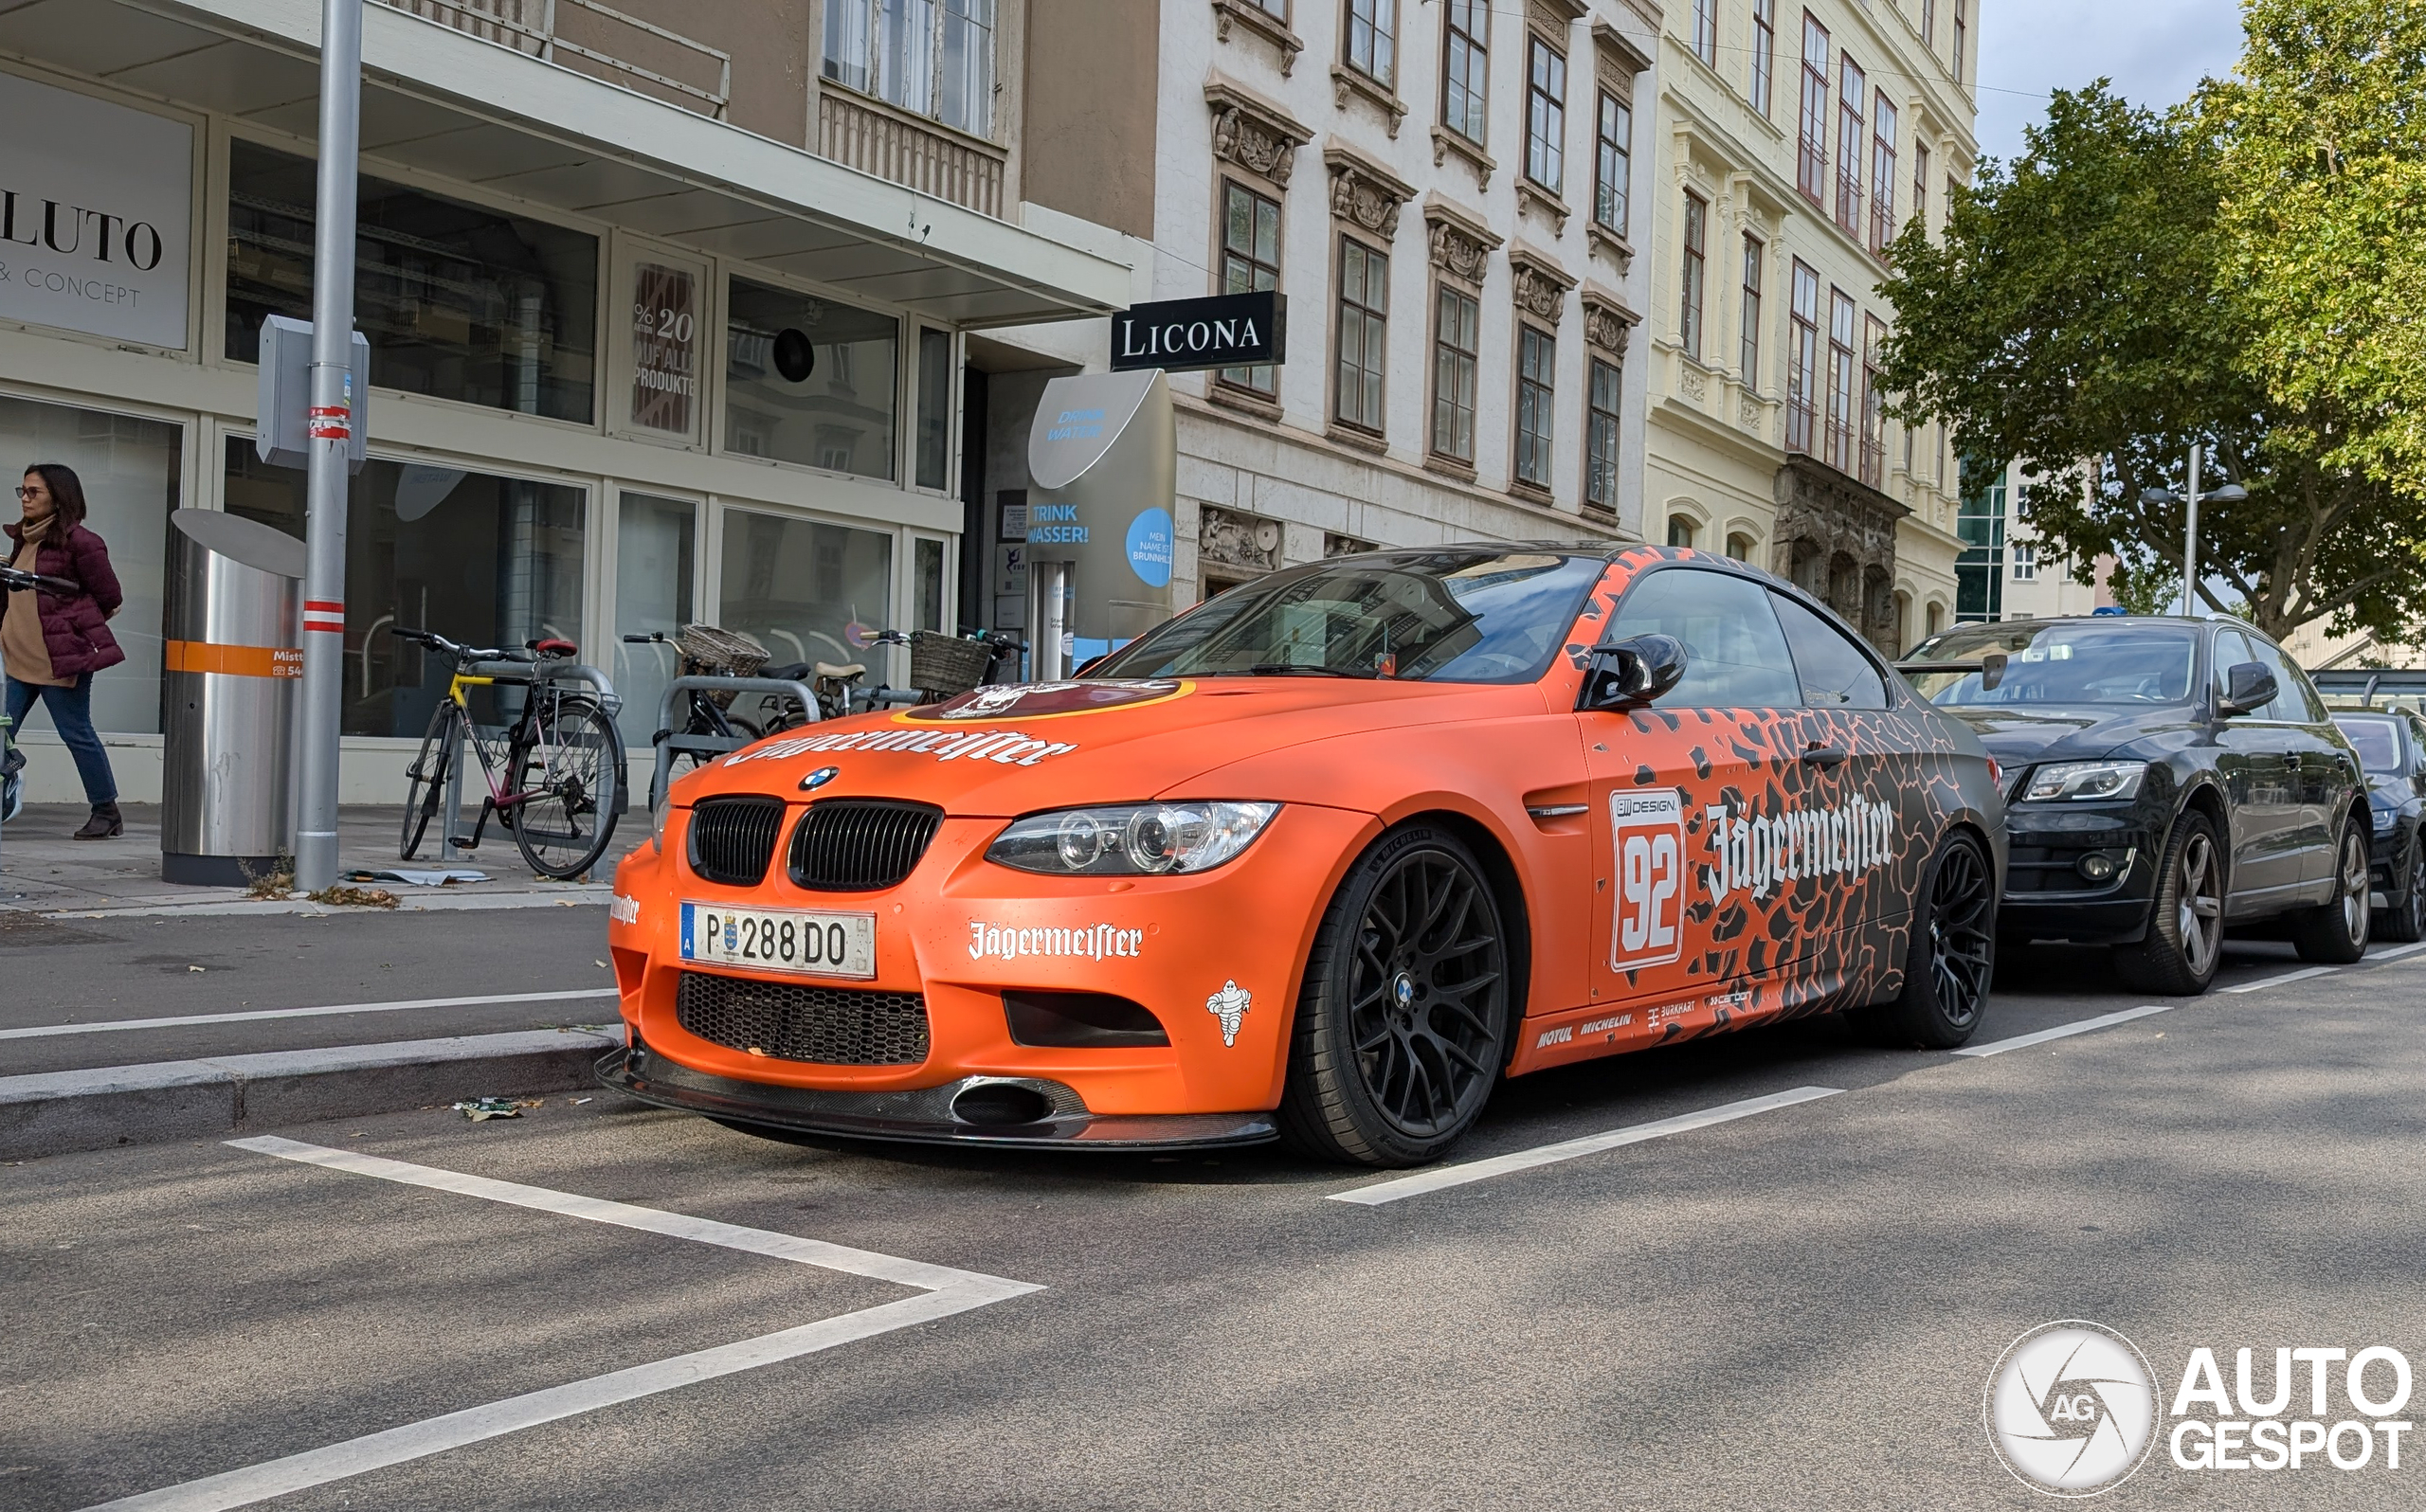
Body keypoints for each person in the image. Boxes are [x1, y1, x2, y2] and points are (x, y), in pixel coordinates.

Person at [3, 463, 124, 838]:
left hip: (59, 660)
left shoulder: (83, 542)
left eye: (33, 492)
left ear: (59, 496)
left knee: (76, 733)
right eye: (21, 490)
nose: (25, 498)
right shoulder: (24, 538)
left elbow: (110, 598)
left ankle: (106, 811)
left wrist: (70, 629)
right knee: (2, 735)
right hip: (17, 654)